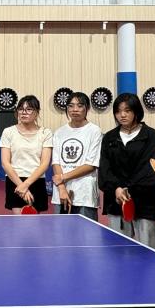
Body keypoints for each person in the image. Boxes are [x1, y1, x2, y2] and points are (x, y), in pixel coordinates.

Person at [99, 93, 155, 248]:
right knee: (118, 251)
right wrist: (117, 188)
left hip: (144, 202)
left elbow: (150, 169)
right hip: (116, 201)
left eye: (127, 110)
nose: (122, 115)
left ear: (136, 111)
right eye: (118, 111)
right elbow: (105, 169)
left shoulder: (150, 135)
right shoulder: (109, 137)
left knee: (147, 251)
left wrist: (128, 189)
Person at [51, 92, 102, 220]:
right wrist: (61, 188)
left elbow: (91, 165)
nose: (75, 109)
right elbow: (56, 162)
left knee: (86, 232)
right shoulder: (59, 132)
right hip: (61, 193)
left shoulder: (94, 131)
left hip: (85, 195)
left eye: (79, 106)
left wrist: (62, 177)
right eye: (71, 106)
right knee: (60, 231)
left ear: (87, 108)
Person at [0, 95, 53, 214]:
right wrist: (21, 185)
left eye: (29, 109)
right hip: (15, 181)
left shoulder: (45, 133)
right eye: (21, 109)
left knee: (36, 223)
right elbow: (5, 162)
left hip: (36, 180)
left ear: (36, 112)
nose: (24, 112)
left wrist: (26, 184)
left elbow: (45, 163)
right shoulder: (8, 132)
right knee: (19, 221)